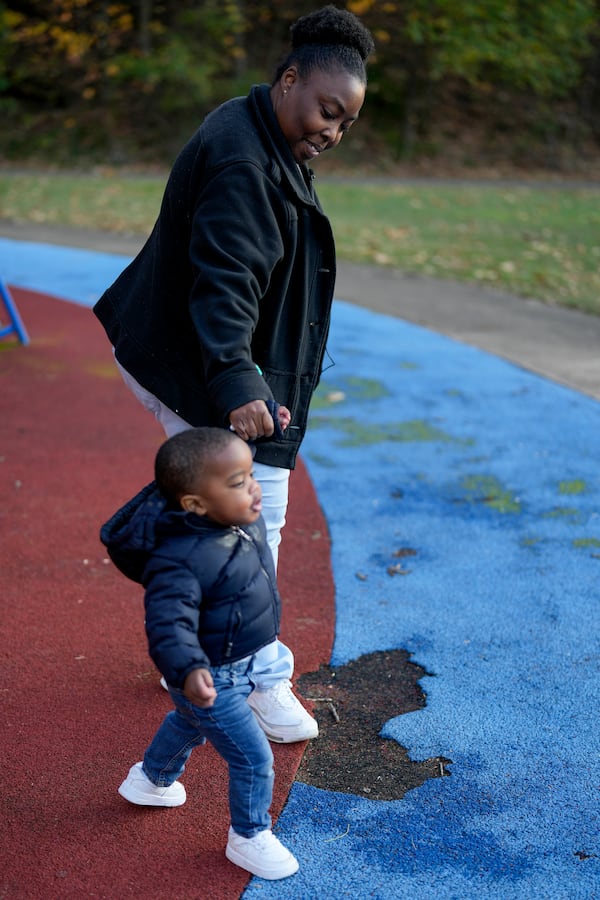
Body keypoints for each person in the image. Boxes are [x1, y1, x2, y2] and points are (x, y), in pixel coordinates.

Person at [93, 5, 375, 742]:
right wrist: (239, 385)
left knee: (211, 507)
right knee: (255, 521)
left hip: (213, 362)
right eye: (326, 110)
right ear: (288, 81)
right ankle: (256, 679)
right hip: (210, 369)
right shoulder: (244, 159)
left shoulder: (260, 132)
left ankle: (180, 619)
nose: (332, 132)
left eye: (345, 122)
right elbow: (223, 283)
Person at [105, 427, 300, 880]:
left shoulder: (237, 517)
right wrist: (189, 669)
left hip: (240, 660)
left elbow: (240, 443)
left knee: (189, 723)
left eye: (251, 475)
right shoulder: (179, 558)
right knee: (252, 758)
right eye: (237, 482)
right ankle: (249, 836)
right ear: (195, 504)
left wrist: (269, 413)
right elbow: (168, 624)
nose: (253, 488)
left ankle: (151, 779)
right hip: (210, 674)